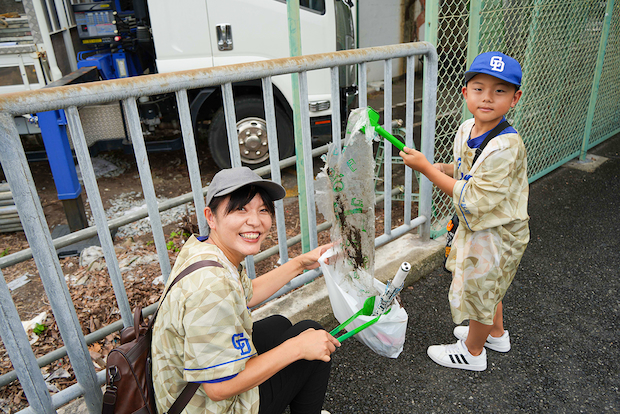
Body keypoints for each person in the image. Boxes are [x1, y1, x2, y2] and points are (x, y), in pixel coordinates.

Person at [151, 166, 339, 413]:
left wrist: (300, 263)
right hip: (207, 406)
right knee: (309, 334)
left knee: (279, 325)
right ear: (211, 217)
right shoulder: (212, 287)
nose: (255, 221)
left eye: (263, 210)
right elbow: (218, 388)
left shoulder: (206, 250)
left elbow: (247, 294)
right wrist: (297, 348)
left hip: (182, 391)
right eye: (240, 209)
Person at [399, 51, 529, 371]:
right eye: (479, 88)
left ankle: (472, 352)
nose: (487, 98)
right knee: (487, 285)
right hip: (482, 227)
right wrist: (433, 165)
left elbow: (472, 197)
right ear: (465, 92)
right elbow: (463, 171)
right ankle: (494, 334)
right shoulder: (466, 127)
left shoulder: (506, 146)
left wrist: (428, 172)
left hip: (498, 232)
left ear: (515, 98)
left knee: (481, 290)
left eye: (500, 91)